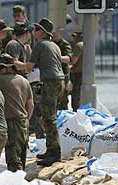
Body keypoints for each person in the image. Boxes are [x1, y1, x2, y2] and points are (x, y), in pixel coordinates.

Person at [15, 18, 69, 166]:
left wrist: (15, 63)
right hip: (60, 82)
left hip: (51, 82)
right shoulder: (54, 46)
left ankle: (55, 153)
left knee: (48, 119)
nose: (34, 32)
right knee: (49, 117)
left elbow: (28, 67)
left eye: (37, 29)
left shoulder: (39, 45)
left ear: (43, 33)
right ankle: (51, 149)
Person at [0, 54, 34, 172]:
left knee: (13, 161)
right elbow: (30, 105)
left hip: (10, 122)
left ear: (10, 67)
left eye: (0, 67)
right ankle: (22, 184)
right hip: (23, 122)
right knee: (21, 157)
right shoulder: (24, 81)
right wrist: (26, 120)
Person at [53, 28, 72, 110]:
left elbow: (68, 59)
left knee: (63, 99)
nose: (53, 35)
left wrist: (55, 57)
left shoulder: (65, 44)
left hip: (63, 76)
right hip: (53, 75)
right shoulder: (51, 43)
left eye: (55, 33)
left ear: (60, 33)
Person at [70, 31, 83, 111]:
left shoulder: (79, 45)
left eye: (74, 36)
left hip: (78, 74)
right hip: (85, 74)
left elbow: (73, 60)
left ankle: (75, 111)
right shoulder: (88, 44)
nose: (73, 38)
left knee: (75, 95)